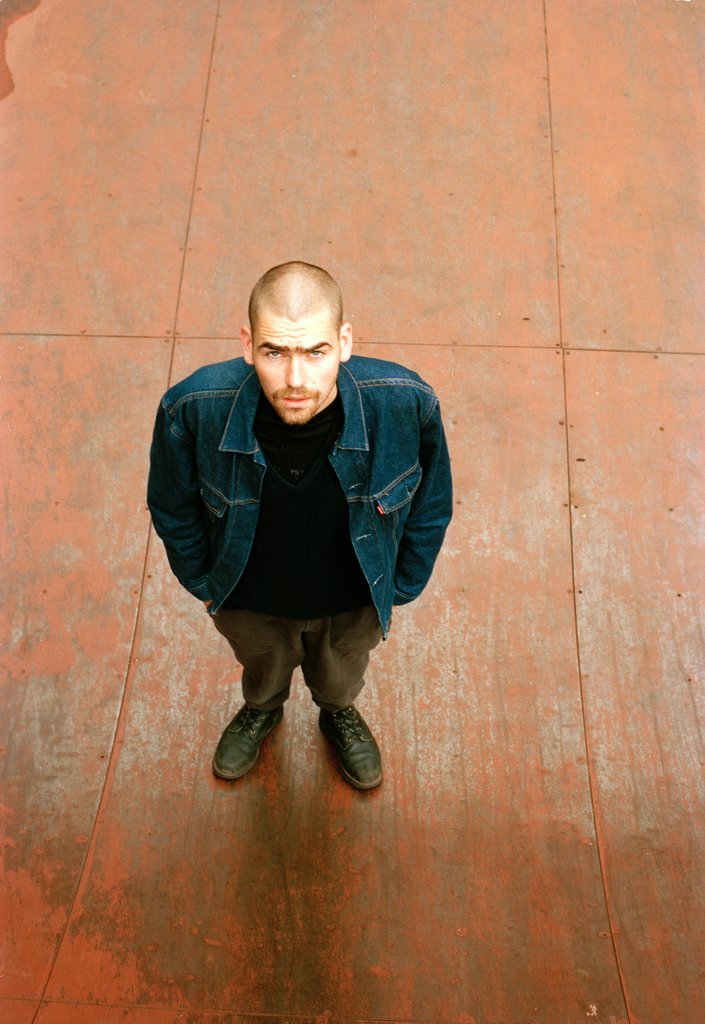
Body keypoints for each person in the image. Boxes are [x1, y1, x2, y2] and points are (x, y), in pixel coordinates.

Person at [147, 261, 452, 790]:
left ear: (345, 340)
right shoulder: (193, 408)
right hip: (250, 602)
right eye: (274, 352)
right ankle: (262, 709)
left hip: (355, 601)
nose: (295, 379)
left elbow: (432, 502)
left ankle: (337, 713)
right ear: (247, 344)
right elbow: (172, 507)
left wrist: (402, 585)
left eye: (316, 352)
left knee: (341, 677)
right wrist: (204, 581)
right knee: (262, 673)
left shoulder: (406, 403)